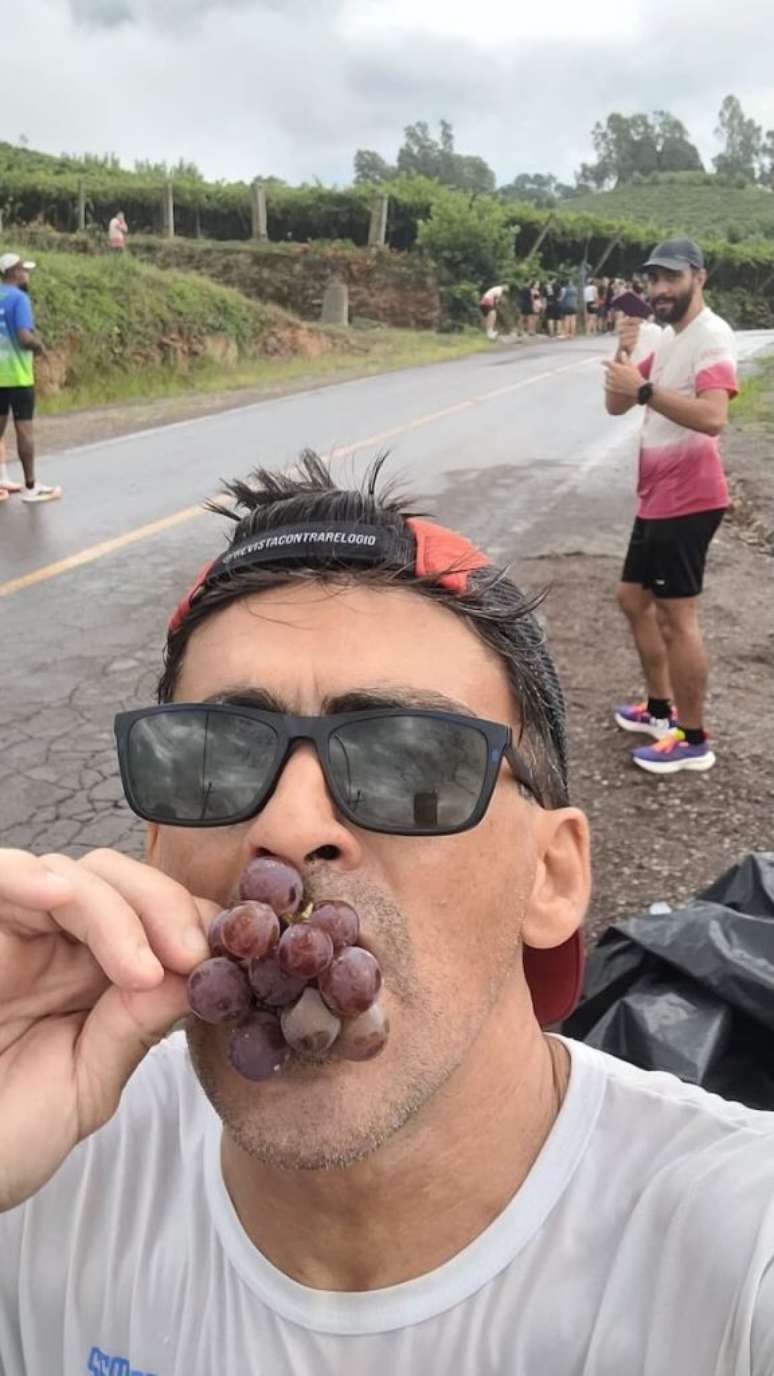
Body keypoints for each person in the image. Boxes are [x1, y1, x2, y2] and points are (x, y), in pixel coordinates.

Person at [2, 453, 774, 1375]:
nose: (289, 826)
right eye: (213, 758)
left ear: (552, 876)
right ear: (157, 846)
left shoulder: (731, 1255)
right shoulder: (48, 1160)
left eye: (412, 762)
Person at [603, 237, 737, 776]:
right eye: (654, 279)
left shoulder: (711, 335)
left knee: (677, 616)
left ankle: (693, 738)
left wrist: (644, 392)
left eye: (672, 278)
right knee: (633, 598)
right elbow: (616, 404)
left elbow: (713, 417)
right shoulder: (667, 338)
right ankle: (660, 711)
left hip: (689, 495)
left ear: (698, 278)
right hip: (658, 493)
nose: (660, 289)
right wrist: (625, 352)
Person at [0, 253, 61, 503]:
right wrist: (40, 347)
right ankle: (30, 487)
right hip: (18, 376)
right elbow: (24, 337)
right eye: (24, 270)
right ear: (14, 272)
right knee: (24, 431)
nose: (27, 275)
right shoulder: (19, 298)